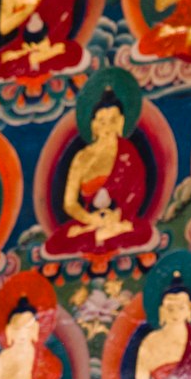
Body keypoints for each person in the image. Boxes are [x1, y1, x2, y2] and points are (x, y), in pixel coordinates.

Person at [45, 85, 153, 257]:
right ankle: (99, 237)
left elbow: (137, 192)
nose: (107, 127)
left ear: (121, 122)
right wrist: (90, 220)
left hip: (118, 221)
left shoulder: (128, 153)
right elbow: (70, 203)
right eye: (102, 122)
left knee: (143, 232)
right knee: (55, 243)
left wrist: (117, 216)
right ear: (93, 125)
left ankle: (99, 238)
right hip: (90, 220)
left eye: (113, 120)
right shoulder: (82, 158)